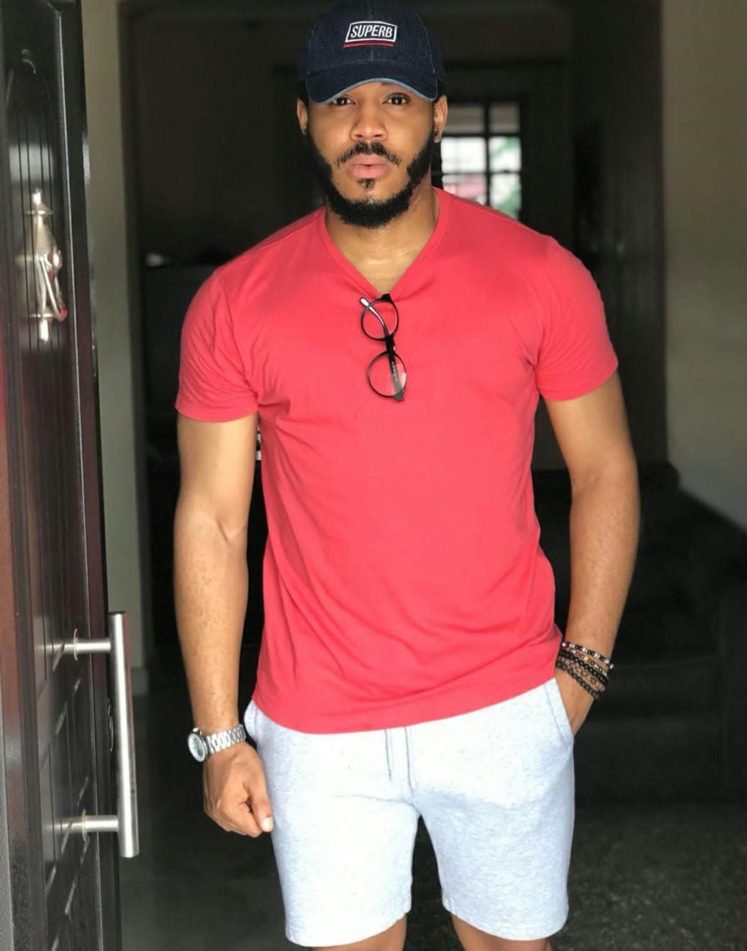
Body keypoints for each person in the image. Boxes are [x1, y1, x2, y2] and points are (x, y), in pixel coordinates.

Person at [173, 1, 640, 949]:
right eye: (340, 101)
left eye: (394, 98)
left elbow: (606, 471)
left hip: (504, 703)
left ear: (438, 113)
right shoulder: (235, 303)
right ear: (304, 118)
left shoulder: (542, 277)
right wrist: (220, 735)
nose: (367, 126)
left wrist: (580, 672)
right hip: (318, 723)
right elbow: (212, 518)